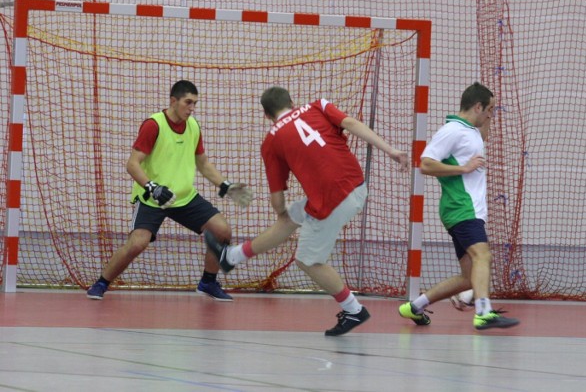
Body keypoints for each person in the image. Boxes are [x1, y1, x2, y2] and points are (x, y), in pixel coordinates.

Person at [204, 86, 409, 336]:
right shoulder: (317, 106)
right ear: (292, 101)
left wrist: (279, 212)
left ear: (267, 116)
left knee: (308, 260)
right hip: (356, 185)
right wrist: (391, 151)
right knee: (292, 217)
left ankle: (353, 309)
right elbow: (351, 123)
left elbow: (277, 197)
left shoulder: (271, 141)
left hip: (332, 201)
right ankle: (231, 257)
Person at [87, 80, 252, 301]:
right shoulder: (153, 125)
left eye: (195, 103)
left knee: (222, 230)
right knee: (138, 243)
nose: (191, 108)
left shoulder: (193, 125)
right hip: (152, 198)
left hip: (184, 198)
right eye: (188, 102)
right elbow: (132, 164)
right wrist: (152, 187)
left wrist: (224, 184)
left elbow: (202, 162)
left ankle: (208, 283)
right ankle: (101, 283)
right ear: (173, 101)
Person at [398, 82, 519, 330]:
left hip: (467, 210)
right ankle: (484, 312)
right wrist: (463, 168)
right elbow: (426, 164)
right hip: (461, 207)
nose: (491, 114)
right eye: (489, 109)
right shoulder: (452, 130)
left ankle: (414, 307)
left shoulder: (471, 131)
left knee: (468, 278)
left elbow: (482, 134)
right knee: (483, 255)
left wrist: (490, 111)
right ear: (477, 106)